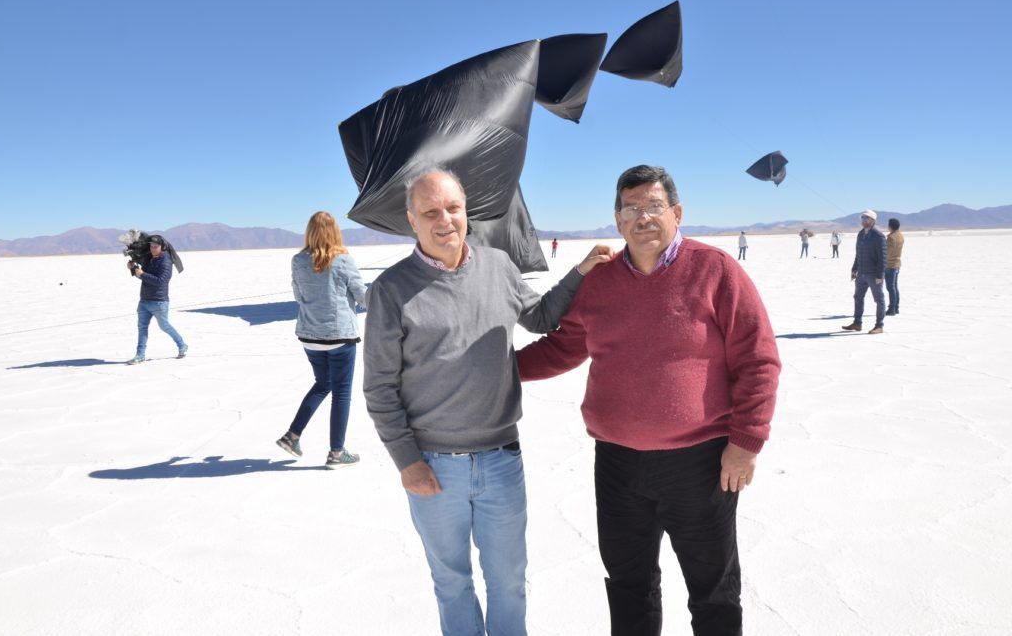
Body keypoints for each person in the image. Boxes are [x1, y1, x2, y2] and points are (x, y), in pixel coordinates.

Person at [517, 165, 781, 636]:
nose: (643, 217)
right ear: (617, 221)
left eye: (654, 206)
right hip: (618, 465)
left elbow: (758, 358)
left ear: (677, 213)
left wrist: (745, 442)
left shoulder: (715, 269)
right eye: (632, 208)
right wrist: (499, 372)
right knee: (629, 584)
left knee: (714, 590)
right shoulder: (599, 282)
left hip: (701, 464)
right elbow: (565, 346)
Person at [363, 168, 613, 636]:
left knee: (509, 582)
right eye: (430, 212)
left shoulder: (499, 266)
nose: (445, 220)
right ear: (411, 220)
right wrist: (407, 462)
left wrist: (579, 273)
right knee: (451, 582)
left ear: (466, 211)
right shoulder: (391, 289)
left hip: (501, 461)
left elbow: (539, 318)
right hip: (434, 467)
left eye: (453, 208)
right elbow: (379, 387)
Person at [275, 211, 366, 468]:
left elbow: (298, 294)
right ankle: (336, 453)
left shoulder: (298, 260)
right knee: (342, 393)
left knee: (322, 383)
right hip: (339, 336)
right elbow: (362, 296)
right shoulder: (343, 260)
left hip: (309, 335)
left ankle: (292, 436)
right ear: (335, 231)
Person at [127, 235, 187, 364]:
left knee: (164, 326)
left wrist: (142, 274)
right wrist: (133, 269)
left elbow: (160, 281)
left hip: (159, 301)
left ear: (162, 247)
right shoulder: (150, 258)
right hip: (144, 300)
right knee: (142, 328)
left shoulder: (166, 261)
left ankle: (182, 345)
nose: (153, 249)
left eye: (155, 246)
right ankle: (140, 355)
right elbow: (145, 277)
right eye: (151, 246)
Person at [842, 209, 887, 335]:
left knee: (879, 299)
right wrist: (854, 268)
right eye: (862, 218)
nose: (864, 220)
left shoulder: (878, 235)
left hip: (873, 275)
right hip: (861, 273)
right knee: (858, 297)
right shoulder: (861, 234)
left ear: (873, 220)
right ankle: (857, 323)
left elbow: (883, 257)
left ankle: (879, 326)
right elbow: (858, 254)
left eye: (866, 218)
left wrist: (879, 275)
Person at [885, 217, 904, 316]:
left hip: (890, 265)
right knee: (895, 287)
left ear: (890, 226)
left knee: (890, 287)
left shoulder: (891, 238)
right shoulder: (900, 236)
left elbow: (887, 253)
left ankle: (892, 308)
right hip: (897, 264)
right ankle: (896, 307)